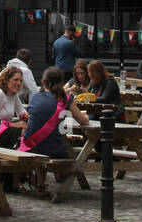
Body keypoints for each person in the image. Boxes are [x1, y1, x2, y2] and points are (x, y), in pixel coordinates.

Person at [20, 67, 90, 196]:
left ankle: (41, 184)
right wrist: (86, 117)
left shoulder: (34, 96)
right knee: (51, 141)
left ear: (44, 81)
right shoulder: (65, 99)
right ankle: (56, 178)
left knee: (42, 142)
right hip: (55, 149)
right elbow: (82, 120)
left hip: (29, 146)